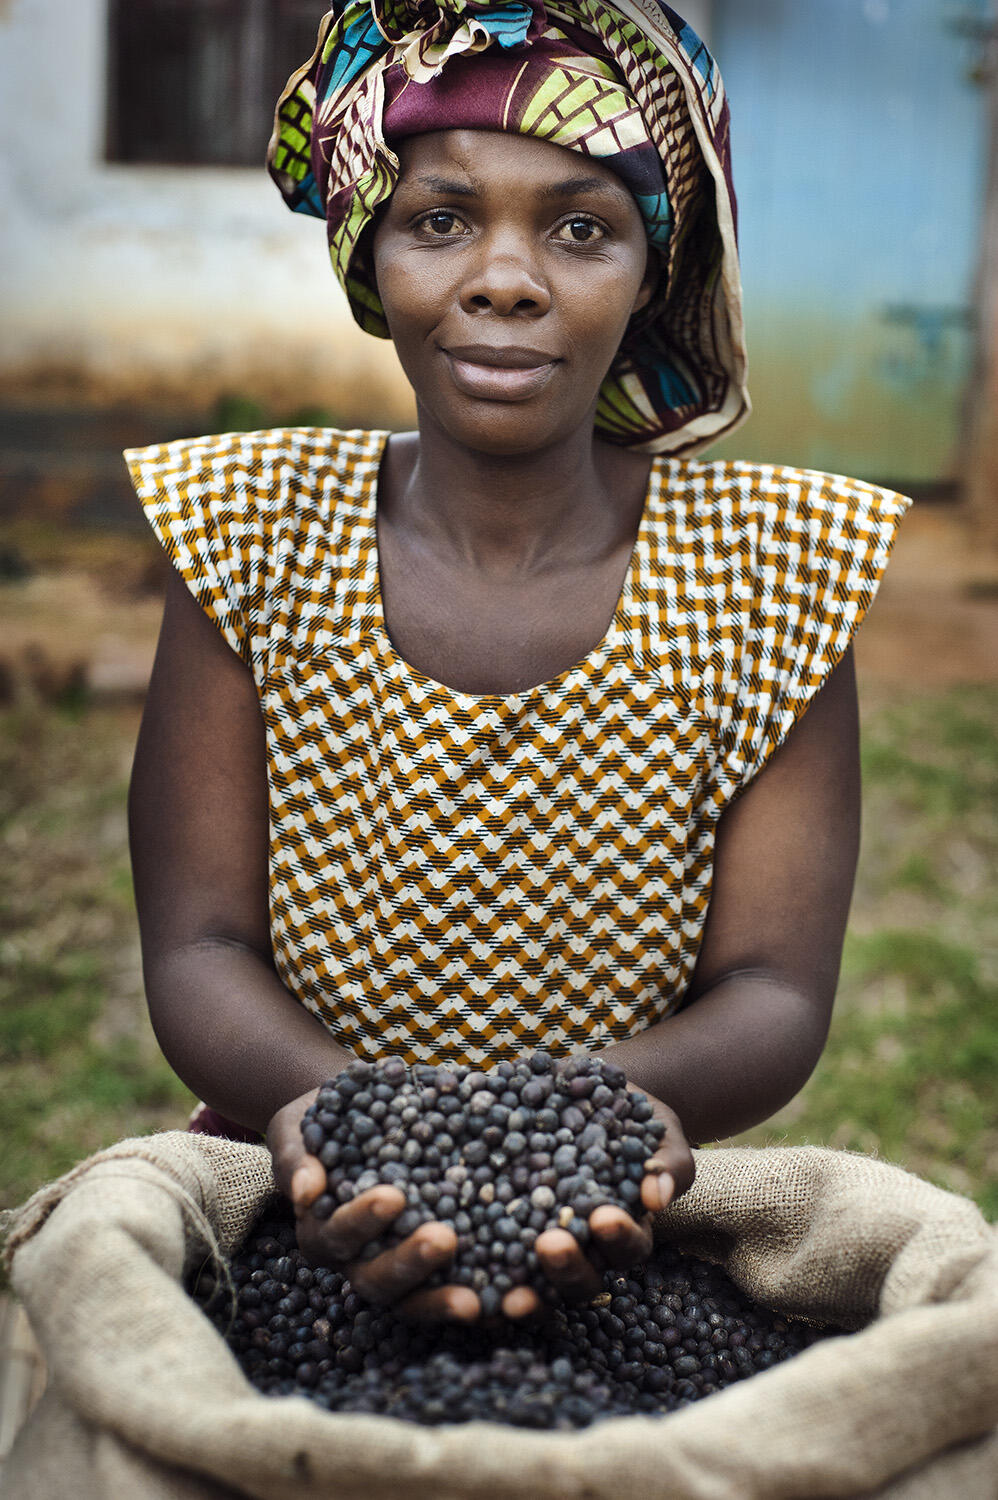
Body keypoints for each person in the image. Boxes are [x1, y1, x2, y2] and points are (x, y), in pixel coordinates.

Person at [125, 0, 909, 1323]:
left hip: (621, 1204)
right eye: (440, 219)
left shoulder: (776, 575)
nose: (505, 278)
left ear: (652, 264)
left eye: (579, 226)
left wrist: (598, 1125)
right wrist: (340, 1124)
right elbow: (199, 942)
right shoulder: (251, 534)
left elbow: (773, 986)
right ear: (370, 252)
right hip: (289, 1168)